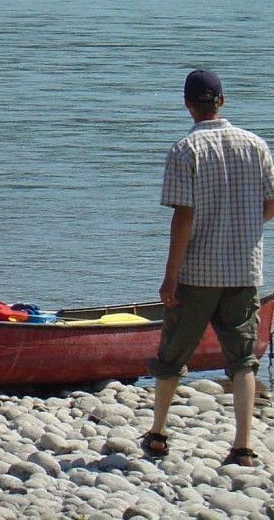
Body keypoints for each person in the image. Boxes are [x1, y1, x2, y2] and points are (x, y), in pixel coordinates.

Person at [140, 68, 274, 467]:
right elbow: (273, 200)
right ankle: (243, 446)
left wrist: (169, 276)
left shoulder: (185, 150)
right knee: (243, 359)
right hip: (244, 270)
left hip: (198, 272)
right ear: (222, 101)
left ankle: (159, 433)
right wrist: (247, 223)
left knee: (172, 356)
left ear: (187, 105)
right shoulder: (255, 144)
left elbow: (184, 217)